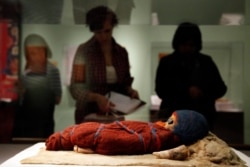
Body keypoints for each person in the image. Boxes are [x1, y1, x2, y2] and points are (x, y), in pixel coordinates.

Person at [69, 6, 139, 124]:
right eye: (98, 32)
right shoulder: (84, 51)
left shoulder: (121, 52)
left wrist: (131, 92)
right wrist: (96, 98)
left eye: (107, 31)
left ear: (112, 28)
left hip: (115, 116)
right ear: (93, 31)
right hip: (89, 116)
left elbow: (125, 83)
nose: (103, 37)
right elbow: (76, 89)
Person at [155, 22, 227, 130]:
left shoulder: (206, 62)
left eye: (192, 45)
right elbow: (161, 90)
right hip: (174, 118)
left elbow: (220, 88)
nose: (188, 48)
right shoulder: (167, 62)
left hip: (201, 118)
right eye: (184, 45)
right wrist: (187, 91)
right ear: (178, 43)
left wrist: (201, 93)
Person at [46, 110, 209, 155]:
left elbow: (124, 142)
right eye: (169, 119)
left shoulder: (163, 136)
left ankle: (62, 139)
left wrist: (96, 147)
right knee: (82, 129)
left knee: (83, 133)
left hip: (110, 134)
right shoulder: (161, 129)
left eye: (172, 122)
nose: (166, 123)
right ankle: (64, 138)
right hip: (114, 128)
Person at [13, 34, 62, 138]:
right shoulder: (26, 72)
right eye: (33, 53)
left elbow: (57, 99)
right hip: (26, 124)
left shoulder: (52, 70)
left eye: (40, 51)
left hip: (44, 123)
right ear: (28, 55)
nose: (38, 56)